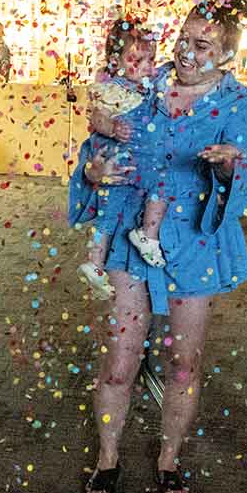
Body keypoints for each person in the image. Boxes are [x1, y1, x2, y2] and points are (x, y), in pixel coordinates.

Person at [70, 0, 247, 493]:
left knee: (184, 362)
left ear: (226, 55)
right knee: (121, 359)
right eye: (183, 38)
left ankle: (168, 459)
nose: (185, 51)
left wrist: (229, 166)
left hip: (195, 242)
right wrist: (91, 173)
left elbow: (244, 175)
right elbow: (97, 141)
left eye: (202, 45)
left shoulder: (238, 105)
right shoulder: (144, 83)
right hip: (133, 233)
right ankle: (109, 457)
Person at [77, 17, 167, 294]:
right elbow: (98, 117)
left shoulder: (149, 87)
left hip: (139, 159)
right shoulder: (111, 89)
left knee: (157, 188)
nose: (145, 67)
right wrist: (113, 128)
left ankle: (146, 235)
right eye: (135, 60)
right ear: (115, 61)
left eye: (150, 60)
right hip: (121, 161)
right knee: (113, 210)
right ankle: (95, 262)